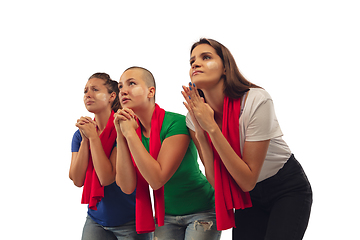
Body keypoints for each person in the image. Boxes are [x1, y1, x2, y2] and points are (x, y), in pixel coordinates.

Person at [182, 38, 312, 240]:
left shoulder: (256, 100)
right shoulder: (193, 117)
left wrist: (212, 127)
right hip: (246, 198)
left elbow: (247, 180)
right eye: (192, 62)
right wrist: (201, 132)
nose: (195, 64)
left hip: (285, 188)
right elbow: (217, 182)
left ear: (225, 68)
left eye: (206, 57)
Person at [114, 66, 221, 240]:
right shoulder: (128, 129)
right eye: (120, 87)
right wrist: (121, 133)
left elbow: (157, 179)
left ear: (151, 92)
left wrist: (130, 135)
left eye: (131, 84)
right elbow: (126, 186)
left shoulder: (176, 123)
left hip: (202, 210)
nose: (123, 91)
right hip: (166, 216)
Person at [69, 72, 152, 240]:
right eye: (85, 91)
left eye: (95, 90)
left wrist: (93, 138)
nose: (88, 95)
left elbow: (107, 177)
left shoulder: (124, 128)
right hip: (96, 220)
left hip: (130, 222)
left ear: (112, 96)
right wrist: (86, 139)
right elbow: (77, 180)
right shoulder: (80, 135)